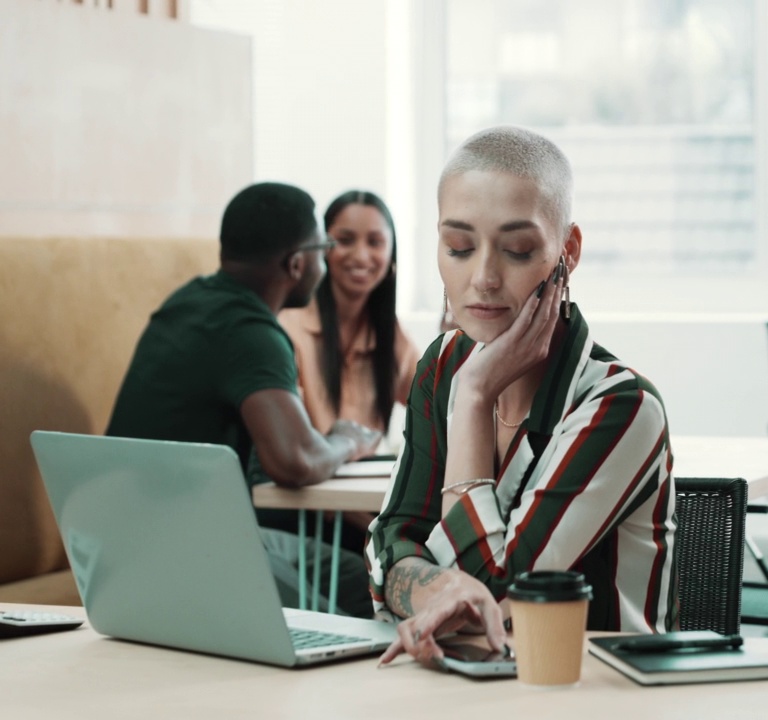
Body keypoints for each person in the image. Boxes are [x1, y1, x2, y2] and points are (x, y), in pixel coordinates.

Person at [368, 126, 675, 666]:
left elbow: (502, 596)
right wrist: (435, 590)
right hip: (456, 681)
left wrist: (476, 396)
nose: (483, 277)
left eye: (517, 249)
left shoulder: (621, 407)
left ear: (567, 251)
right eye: (458, 247)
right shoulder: (441, 366)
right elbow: (389, 542)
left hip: (590, 694)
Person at [106, 181, 383, 617]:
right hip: (182, 554)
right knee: (365, 595)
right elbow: (294, 462)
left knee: (355, 574)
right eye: (323, 246)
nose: (327, 260)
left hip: (127, 541)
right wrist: (349, 439)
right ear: (296, 263)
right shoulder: (249, 332)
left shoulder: (190, 301)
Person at [278, 191, 419, 554]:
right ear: (321, 248)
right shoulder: (288, 327)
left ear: (391, 258)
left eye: (375, 242)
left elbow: (437, 407)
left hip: (368, 514)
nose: (360, 255)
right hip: (311, 516)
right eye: (344, 240)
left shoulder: (391, 335)